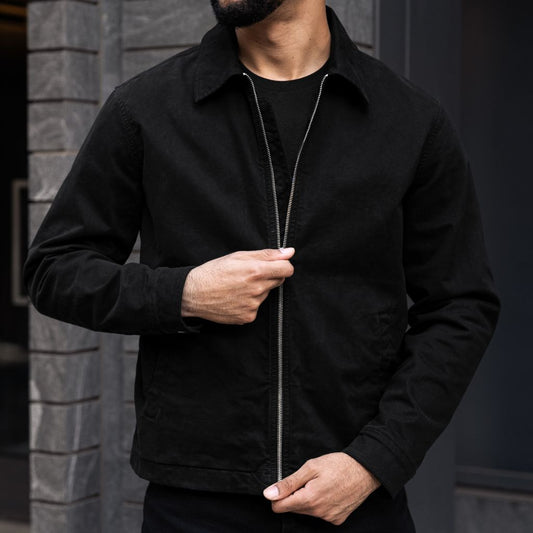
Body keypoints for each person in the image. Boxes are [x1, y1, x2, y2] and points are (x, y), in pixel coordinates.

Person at [23, 0, 500, 531]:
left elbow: (461, 307)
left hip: (355, 497)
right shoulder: (146, 107)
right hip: (195, 504)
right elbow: (54, 269)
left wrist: (376, 458)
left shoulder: (409, 119)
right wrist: (183, 294)